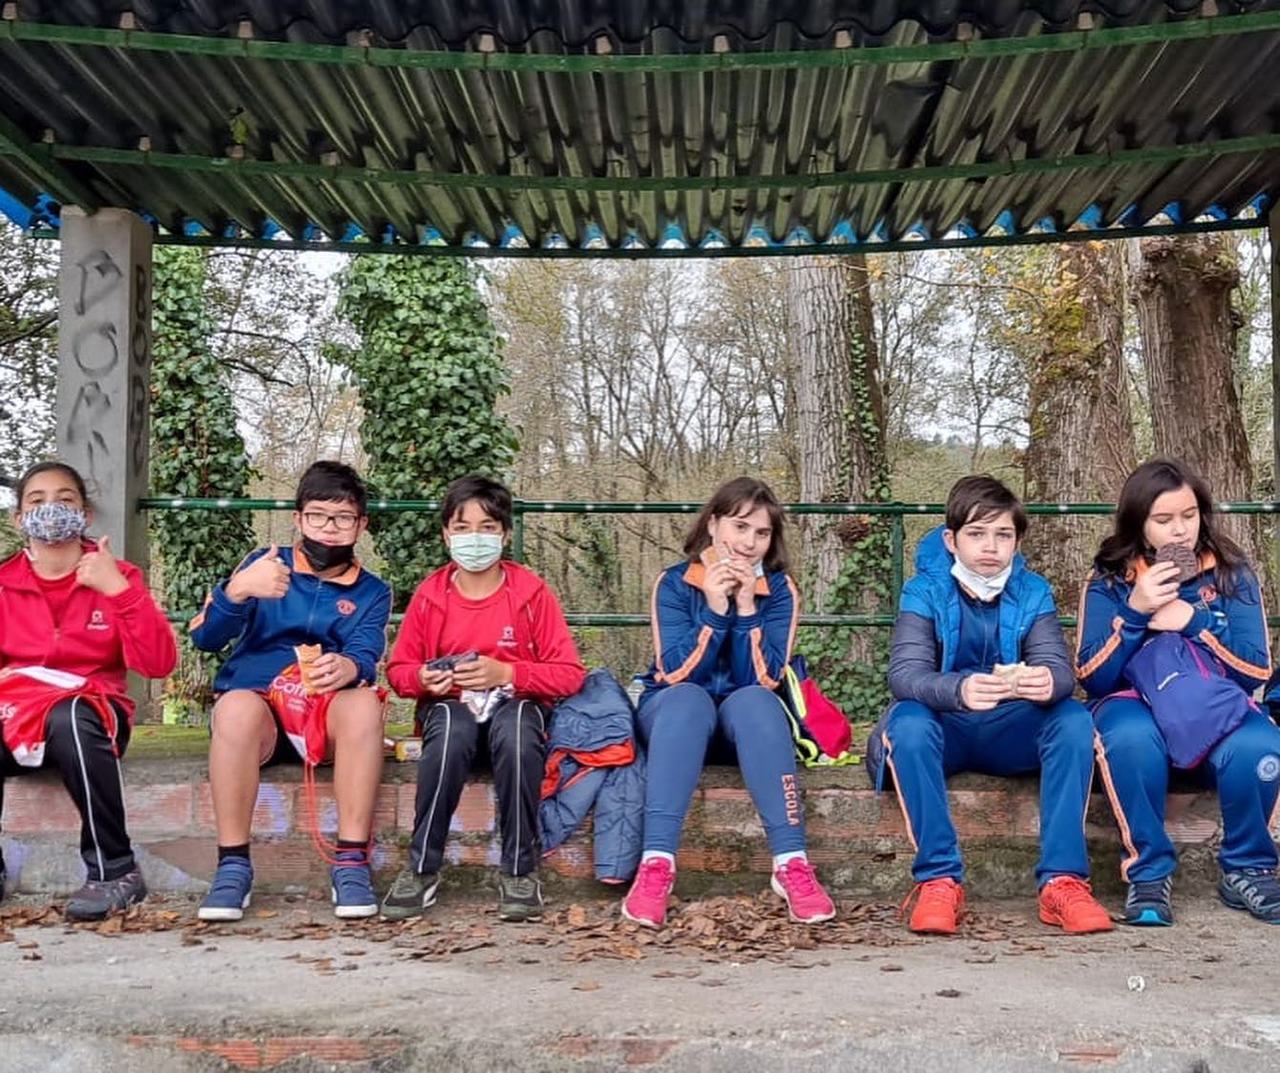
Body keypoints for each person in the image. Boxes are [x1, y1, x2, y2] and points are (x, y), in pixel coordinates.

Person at [868, 475, 1112, 936]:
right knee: (907, 723)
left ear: (1017, 542)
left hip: (1007, 731)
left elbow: (1058, 669)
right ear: (951, 540)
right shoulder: (923, 589)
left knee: (1072, 719)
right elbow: (905, 675)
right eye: (976, 533)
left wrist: (1049, 681)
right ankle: (938, 879)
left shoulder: (1033, 589)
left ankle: (1062, 882)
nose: (990, 546)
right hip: (944, 729)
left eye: (1003, 535)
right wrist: (958, 690)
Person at [620, 477, 836, 929]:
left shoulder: (780, 590)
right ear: (713, 524)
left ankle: (791, 864)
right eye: (740, 527)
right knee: (688, 698)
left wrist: (746, 608)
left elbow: (765, 678)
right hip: (677, 717)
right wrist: (715, 610)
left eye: (762, 533)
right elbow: (675, 672)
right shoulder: (675, 583)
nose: (749, 543)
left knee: (756, 700)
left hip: (746, 724)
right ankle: (656, 865)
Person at [1078, 458, 1279, 925]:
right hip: (1133, 703)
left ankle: (1248, 868)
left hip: (1213, 699)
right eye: (1163, 519)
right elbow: (1093, 677)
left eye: (1189, 515)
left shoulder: (1232, 574)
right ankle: (1148, 872)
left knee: (1260, 745)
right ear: (1139, 523)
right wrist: (1134, 612)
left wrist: (1196, 622)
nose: (1180, 530)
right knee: (1129, 739)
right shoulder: (1110, 577)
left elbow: (1255, 671)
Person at [190, 461, 391, 921]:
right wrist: (238, 591)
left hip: (322, 713)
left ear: (361, 524)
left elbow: (366, 652)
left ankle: (351, 861)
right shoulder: (263, 565)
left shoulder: (373, 591)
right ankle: (233, 866)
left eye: (343, 518)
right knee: (235, 708)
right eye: (318, 515)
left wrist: (347, 665)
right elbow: (205, 638)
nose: (329, 528)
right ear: (298, 518)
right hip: (258, 712)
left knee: (364, 705)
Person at [383, 475, 585, 922]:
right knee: (450, 727)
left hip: (515, 710)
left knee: (518, 728)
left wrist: (508, 673)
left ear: (505, 534)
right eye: (462, 527)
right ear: (446, 535)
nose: (474, 538)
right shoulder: (431, 595)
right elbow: (398, 671)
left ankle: (519, 870)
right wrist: (423, 678)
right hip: (451, 712)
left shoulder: (530, 593)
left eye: (487, 527)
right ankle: (422, 868)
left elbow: (570, 674)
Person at [0, 461, 177, 919]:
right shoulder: (4, 583)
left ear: (85, 514)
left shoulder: (118, 575)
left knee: (71, 716)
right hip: (17, 718)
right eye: (37, 501)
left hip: (92, 718)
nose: (51, 508)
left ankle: (115, 870)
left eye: (65, 499)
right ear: (19, 519)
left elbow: (158, 663)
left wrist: (118, 591)